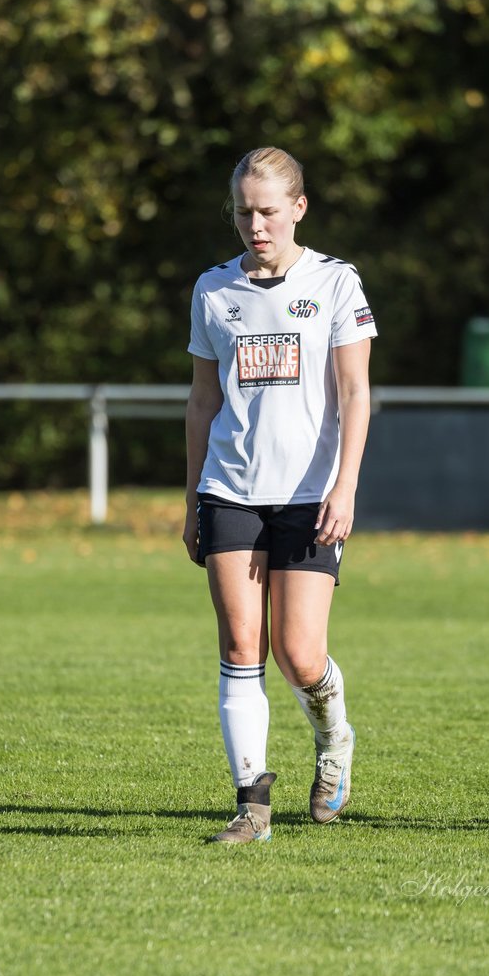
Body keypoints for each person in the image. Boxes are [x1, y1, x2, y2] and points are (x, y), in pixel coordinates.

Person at [182, 146, 377, 844]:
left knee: (299, 654)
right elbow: (203, 401)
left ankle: (333, 743)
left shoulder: (335, 284)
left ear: (298, 207)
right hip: (229, 488)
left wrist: (345, 485)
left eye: (267, 211)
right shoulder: (213, 290)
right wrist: (190, 499)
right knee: (241, 643)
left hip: (309, 496)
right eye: (243, 212)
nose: (255, 225)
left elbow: (356, 393)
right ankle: (251, 805)